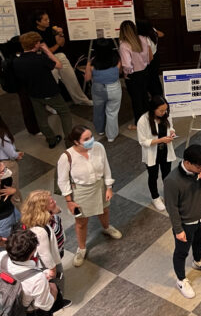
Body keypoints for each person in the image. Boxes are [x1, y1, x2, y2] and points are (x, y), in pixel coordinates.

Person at [57, 125, 121, 267]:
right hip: (81, 191)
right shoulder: (66, 157)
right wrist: (69, 201)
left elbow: (106, 167)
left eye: (91, 136)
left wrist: (109, 187)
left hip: (100, 186)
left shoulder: (99, 147)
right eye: (86, 139)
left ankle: (106, 227)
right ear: (76, 142)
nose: (91, 140)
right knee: (81, 221)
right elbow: (62, 180)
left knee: (105, 210)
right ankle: (81, 248)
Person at [164, 144, 201, 298]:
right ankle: (181, 280)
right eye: (199, 166)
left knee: (199, 242)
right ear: (187, 162)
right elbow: (172, 208)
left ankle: (197, 261)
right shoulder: (172, 181)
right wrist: (178, 230)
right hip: (185, 224)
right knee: (181, 252)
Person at [13, 31, 72, 148]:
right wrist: (47, 51)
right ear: (36, 44)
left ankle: (51, 139)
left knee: (41, 118)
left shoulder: (17, 61)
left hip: (33, 94)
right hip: (50, 92)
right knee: (65, 113)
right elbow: (59, 65)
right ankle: (69, 142)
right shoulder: (40, 58)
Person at [32, 9, 92, 106]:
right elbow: (48, 51)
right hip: (45, 59)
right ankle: (51, 105)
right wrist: (58, 45)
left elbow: (62, 43)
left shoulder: (51, 28)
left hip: (59, 55)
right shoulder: (35, 34)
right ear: (38, 22)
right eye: (45, 20)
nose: (48, 21)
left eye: (48, 19)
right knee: (52, 80)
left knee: (71, 77)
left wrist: (61, 33)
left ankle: (81, 100)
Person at [0, 229, 61, 313]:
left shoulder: (2, 256)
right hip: (25, 311)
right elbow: (45, 305)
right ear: (32, 253)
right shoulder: (38, 279)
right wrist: (53, 290)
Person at [137, 95, 178, 211]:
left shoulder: (166, 116)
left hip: (165, 150)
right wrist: (161, 140)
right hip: (152, 153)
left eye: (165, 110)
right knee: (153, 175)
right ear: (153, 109)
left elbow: (171, 127)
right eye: (161, 110)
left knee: (167, 174)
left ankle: (168, 195)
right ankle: (155, 197)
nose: (164, 112)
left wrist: (171, 133)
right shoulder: (143, 120)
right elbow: (143, 141)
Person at [20, 190, 63, 286]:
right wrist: (53, 269)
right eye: (51, 202)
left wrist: (54, 209)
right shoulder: (39, 230)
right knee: (57, 283)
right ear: (42, 208)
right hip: (50, 262)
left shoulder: (50, 216)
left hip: (57, 252)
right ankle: (58, 299)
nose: (55, 201)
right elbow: (45, 254)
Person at [85, 38, 122, 143]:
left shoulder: (92, 63)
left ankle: (100, 130)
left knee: (98, 110)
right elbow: (119, 73)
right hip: (114, 88)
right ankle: (111, 136)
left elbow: (87, 78)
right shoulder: (117, 60)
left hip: (98, 89)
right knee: (112, 112)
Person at [119, 20, 153, 128]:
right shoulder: (143, 39)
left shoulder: (124, 45)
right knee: (144, 96)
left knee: (136, 100)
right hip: (145, 72)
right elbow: (148, 58)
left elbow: (127, 65)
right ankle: (149, 120)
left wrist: (126, 74)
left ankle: (139, 124)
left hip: (133, 76)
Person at [137, 18, 165, 96]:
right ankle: (159, 94)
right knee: (155, 77)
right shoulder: (152, 31)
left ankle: (156, 97)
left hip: (149, 59)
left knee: (150, 79)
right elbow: (162, 34)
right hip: (156, 57)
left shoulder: (144, 39)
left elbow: (149, 56)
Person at [0, 115, 24, 207]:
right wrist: (17, 155)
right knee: (13, 192)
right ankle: (24, 217)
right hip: (7, 164)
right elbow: (11, 154)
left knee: (5, 192)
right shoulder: (2, 135)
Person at [0, 161, 19, 240]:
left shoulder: (6, 177)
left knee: (18, 225)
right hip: (3, 219)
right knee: (8, 239)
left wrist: (13, 191)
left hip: (11, 210)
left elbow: (9, 182)